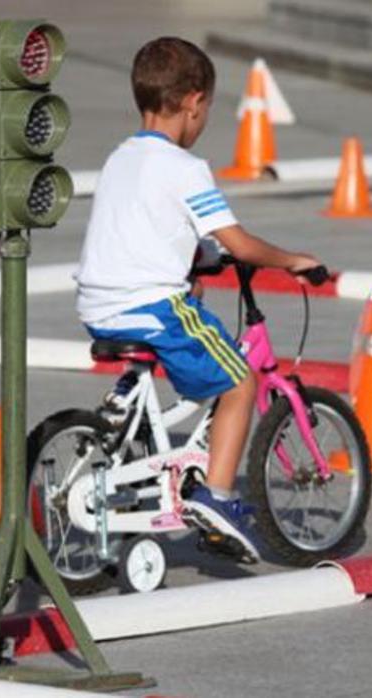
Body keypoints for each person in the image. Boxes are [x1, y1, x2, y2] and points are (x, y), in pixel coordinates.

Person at [74, 37, 321, 563]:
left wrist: (196, 261)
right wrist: (290, 259)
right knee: (239, 380)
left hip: (99, 304)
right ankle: (218, 498)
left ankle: (126, 406)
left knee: (190, 301)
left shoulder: (121, 157)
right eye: (206, 108)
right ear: (192, 102)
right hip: (150, 306)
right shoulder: (185, 168)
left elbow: (147, 232)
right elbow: (238, 242)